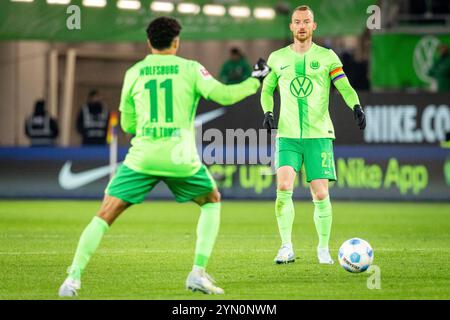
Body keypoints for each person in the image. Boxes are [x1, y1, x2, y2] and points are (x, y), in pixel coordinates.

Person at [58, 16, 269, 297]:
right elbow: (225, 95)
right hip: (180, 157)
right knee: (212, 199)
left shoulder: (134, 73)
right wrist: (255, 81)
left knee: (104, 213)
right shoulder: (191, 69)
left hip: (142, 158)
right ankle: (198, 271)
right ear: (176, 42)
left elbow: (128, 125)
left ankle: (72, 279)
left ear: (149, 43)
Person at [260, 5, 366, 265]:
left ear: (314, 26)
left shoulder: (328, 57)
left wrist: (356, 105)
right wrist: (268, 111)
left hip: (319, 135)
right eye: (297, 22)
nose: (302, 26)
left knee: (320, 194)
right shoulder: (277, 58)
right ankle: (286, 247)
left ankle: (323, 249)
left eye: (306, 21)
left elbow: (344, 86)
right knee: (283, 187)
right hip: (287, 135)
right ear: (291, 26)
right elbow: (266, 90)